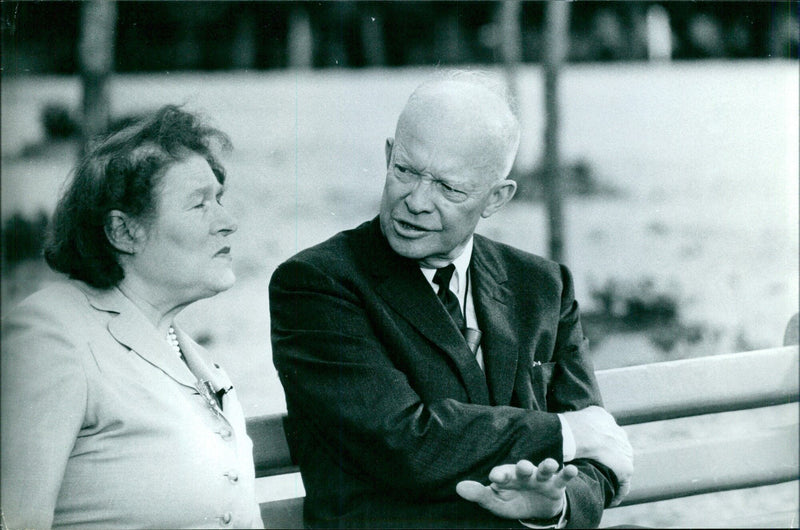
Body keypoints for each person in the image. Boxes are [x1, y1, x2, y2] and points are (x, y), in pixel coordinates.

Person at [270, 72, 634, 529]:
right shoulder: (316, 284)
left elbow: (596, 461)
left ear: (496, 199)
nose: (416, 201)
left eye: (449, 188)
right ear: (388, 155)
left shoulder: (542, 286)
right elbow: (403, 444)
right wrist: (563, 434)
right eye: (405, 170)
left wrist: (552, 508)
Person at [1, 106, 263, 529]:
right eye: (199, 205)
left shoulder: (192, 356)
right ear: (123, 232)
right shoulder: (51, 335)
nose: (227, 222)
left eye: (220, 200)